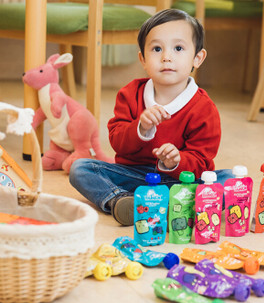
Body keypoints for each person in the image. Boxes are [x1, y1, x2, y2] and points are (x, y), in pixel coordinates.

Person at [69, 8, 233, 226]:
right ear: (143, 59)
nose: (166, 57)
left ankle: (169, 208)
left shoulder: (204, 108)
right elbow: (118, 143)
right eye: (157, 49)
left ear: (197, 58)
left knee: (230, 179)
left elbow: (202, 162)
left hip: (182, 182)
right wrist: (141, 128)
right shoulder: (130, 94)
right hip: (134, 177)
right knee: (80, 169)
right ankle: (119, 200)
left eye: (178, 48)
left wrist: (177, 160)